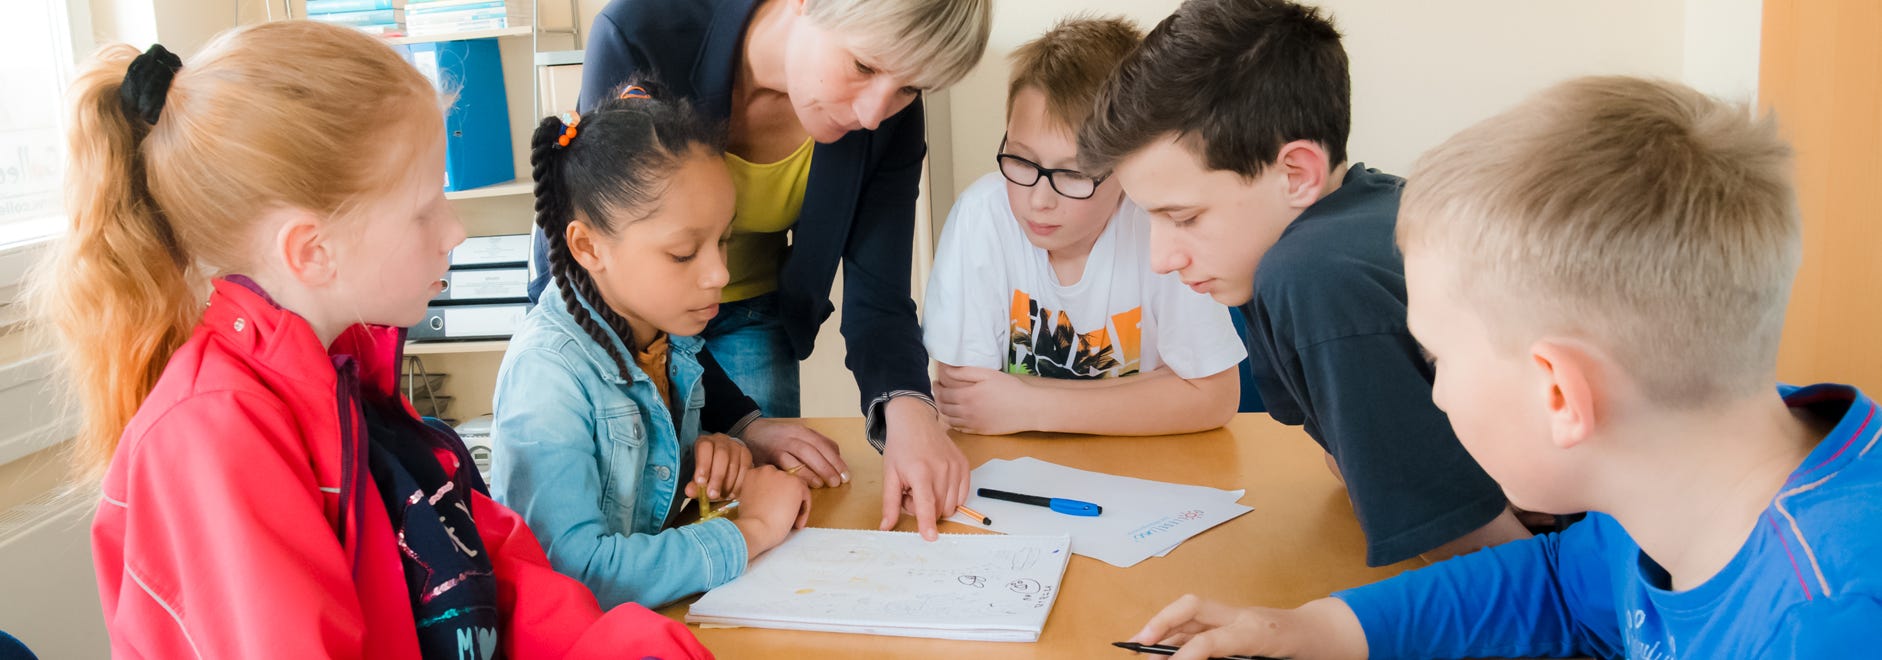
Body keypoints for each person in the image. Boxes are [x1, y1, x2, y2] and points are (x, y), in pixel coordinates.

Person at [1127, 75, 1881, 660]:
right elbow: (1554, 585)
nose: (1437, 387)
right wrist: (1309, 628)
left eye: (1438, 357)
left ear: (1560, 393)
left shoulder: (1823, 622)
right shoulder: (1692, 471)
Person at [38, 22, 708, 658]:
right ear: (312, 250)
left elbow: (495, 578)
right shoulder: (215, 436)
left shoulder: (354, 383)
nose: (455, 232)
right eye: (424, 208)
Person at [1077, 0, 1528, 565]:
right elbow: (1346, 466)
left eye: (1184, 218)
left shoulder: (1315, 272)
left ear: (1297, 175)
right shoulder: (1358, 213)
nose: (1161, 258)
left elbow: (1485, 559)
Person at [541, 0, 995, 541]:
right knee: (644, 516)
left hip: (755, 313)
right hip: (630, 326)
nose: (875, 114)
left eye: (908, 88)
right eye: (864, 67)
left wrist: (909, 408)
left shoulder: (889, 116)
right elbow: (601, 256)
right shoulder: (642, 31)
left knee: (768, 523)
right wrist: (735, 421)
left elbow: (879, 294)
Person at [491, 80, 813, 609]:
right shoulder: (548, 375)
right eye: (685, 253)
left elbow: (637, 497)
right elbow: (578, 574)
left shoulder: (664, 337)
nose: (719, 273)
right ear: (588, 246)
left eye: (724, 240)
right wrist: (752, 529)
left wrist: (710, 456)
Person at [922, 16, 1245, 436]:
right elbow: (966, 404)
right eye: (1021, 161)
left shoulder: (1161, 229)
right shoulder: (981, 216)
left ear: (1129, 167)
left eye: (1073, 174)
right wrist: (1158, 393)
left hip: (1148, 471)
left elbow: (1214, 398)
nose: (1039, 200)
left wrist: (1027, 404)